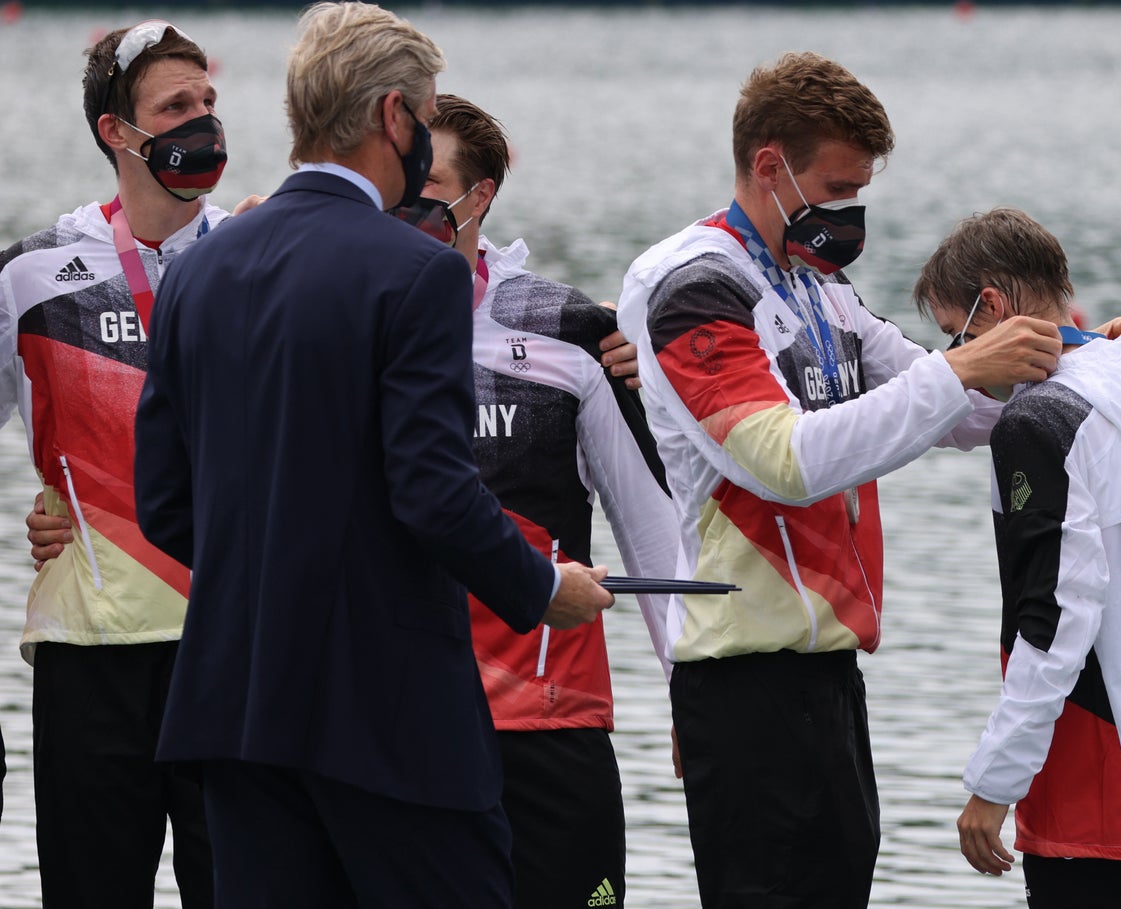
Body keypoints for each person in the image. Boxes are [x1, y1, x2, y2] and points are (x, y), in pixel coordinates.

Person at [131, 4, 614, 908]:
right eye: (425, 120)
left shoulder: (198, 268)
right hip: (390, 713)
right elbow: (432, 490)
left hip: (234, 705)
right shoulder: (417, 270)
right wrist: (544, 588)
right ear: (394, 117)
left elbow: (163, 500)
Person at [615, 51, 1080, 909]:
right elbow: (788, 463)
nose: (849, 212)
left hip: (829, 677)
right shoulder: (693, 286)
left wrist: (1084, 362)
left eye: (860, 190)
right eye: (835, 187)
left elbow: (963, 411)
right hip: (741, 681)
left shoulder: (819, 284)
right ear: (769, 166)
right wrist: (961, 367)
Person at [388, 93, 678, 909]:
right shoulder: (343, 316)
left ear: (478, 199)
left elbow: (651, 530)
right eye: (399, 176)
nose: (407, 197)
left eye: (430, 180)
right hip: (403, 724)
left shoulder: (572, 330)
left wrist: (691, 698)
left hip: (552, 723)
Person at [914, 207, 1121, 909]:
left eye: (955, 335)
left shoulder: (1034, 425)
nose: (959, 362)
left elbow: (1052, 619)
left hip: (1081, 790)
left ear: (993, 306)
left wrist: (994, 782)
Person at [0, 19, 227, 908]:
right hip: (89, 654)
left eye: (209, 104)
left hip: (230, 649)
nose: (204, 125)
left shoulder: (255, 261)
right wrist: (47, 504)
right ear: (117, 135)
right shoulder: (30, 275)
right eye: (177, 108)